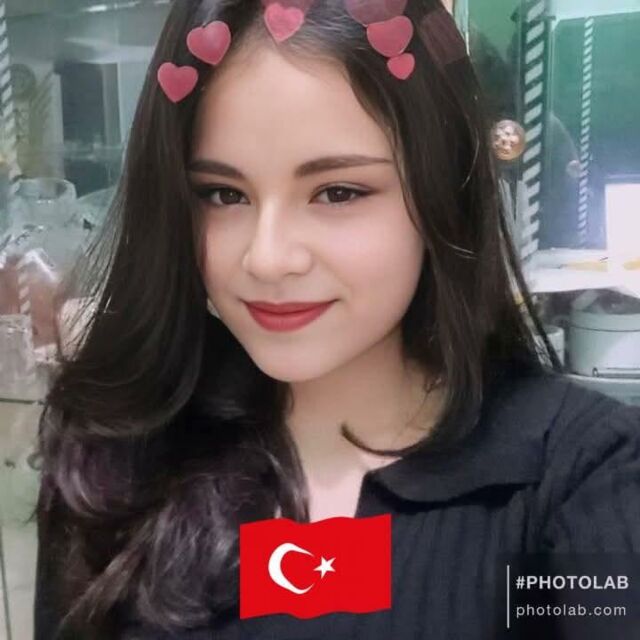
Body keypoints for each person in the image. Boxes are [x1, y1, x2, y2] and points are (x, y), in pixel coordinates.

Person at [31, 1, 640, 639]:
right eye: (223, 194)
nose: (268, 258)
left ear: (444, 192)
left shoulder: (583, 478)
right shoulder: (116, 460)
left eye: (338, 192)